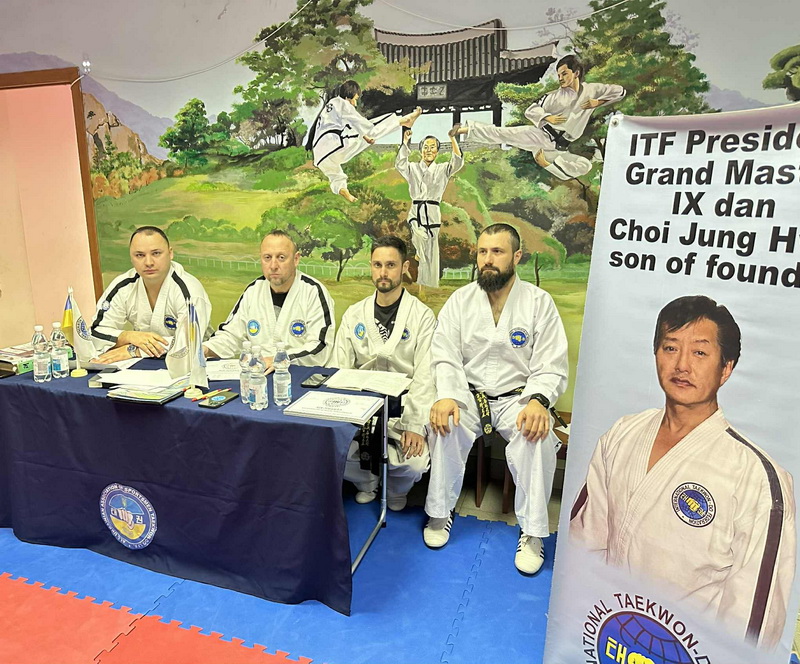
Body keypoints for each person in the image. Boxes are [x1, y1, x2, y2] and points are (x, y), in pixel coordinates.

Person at [570, 295, 796, 649]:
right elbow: (584, 543)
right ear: (655, 354)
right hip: (606, 632)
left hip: (688, 650)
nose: (682, 365)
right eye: (670, 348)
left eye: (700, 352)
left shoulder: (757, 478)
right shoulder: (623, 433)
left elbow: (753, 620)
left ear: (726, 368)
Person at [425, 223, 568, 575]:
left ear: (516, 256)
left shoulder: (538, 303)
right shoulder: (461, 300)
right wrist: (447, 395)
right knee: (444, 425)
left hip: (517, 399)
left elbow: (551, 363)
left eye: (497, 252)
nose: (488, 259)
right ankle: (440, 513)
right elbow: (444, 355)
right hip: (467, 395)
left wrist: (538, 400)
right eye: (482, 252)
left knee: (537, 437)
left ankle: (533, 533)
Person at [330, 235, 435, 511]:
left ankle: (396, 489)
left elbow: (426, 375)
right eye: (377, 265)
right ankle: (367, 482)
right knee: (331, 451)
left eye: (390, 265)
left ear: (405, 267)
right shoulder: (354, 315)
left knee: (414, 463)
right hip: (361, 410)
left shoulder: (422, 317)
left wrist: (415, 425)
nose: (383, 272)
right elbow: (339, 367)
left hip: (402, 410)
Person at [452, 55, 625, 180]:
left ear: (576, 73)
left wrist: (598, 102)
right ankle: (465, 129)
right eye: (559, 75)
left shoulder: (592, 90)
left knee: (584, 166)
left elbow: (620, 91)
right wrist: (547, 117)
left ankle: (545, 164)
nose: (560, 78)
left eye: (564, 74)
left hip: (558, 150)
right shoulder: (554, 96)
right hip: (540, 136)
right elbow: (531, 110)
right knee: (504, 134)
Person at [204, 230, 335, 367]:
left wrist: (280, 359)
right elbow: (231, 335)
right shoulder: (253, 291)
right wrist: (206, 349)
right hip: (259, 373)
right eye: (267, 257)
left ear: (296, 259)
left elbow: (320, 347)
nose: (273, 266)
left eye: (281, 257)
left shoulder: (313, 292)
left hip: (300, 373)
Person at [91, 226, 212, 363]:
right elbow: (95, 333)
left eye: (156, 253)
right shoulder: (123, 286)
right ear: (131, 257)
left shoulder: (189, 289)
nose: (148, 262)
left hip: (195, 364)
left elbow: (189, 342)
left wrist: (133, 350)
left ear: (170, 254)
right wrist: (127, 336)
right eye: (140, 255)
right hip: (143, 364)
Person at [307, 79, 422, 202]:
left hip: (320, 156)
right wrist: (367, 136)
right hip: (333, 144)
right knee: (372, 128)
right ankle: (403, 121)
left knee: (335, 175)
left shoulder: (331, 105)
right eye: (355, 99)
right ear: (349, 95)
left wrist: (365, 136)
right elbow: (359, 122)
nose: (355, 103)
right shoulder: (343, 103)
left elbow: (351, 124)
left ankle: (344, 191)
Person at [395, 127, 463, 293]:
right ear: (420, 151)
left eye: (432, 147)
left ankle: (426, 287)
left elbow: (457, 162)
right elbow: (400, 164)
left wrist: (452, 139)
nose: (429, 150)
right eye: (425, 147)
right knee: (420, 236)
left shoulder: (442, 169)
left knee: (431, 251)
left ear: (437, 151)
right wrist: (405, 142)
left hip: (432, 212)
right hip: (416, 210)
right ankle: (419, 251)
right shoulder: (413, 168)